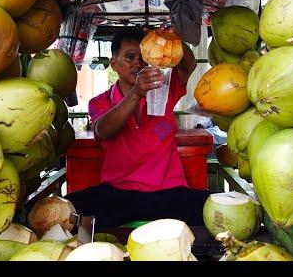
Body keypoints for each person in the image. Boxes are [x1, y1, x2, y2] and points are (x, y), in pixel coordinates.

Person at [64, 26, 214, 227]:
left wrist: (172, 37)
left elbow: (188, 65)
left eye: (142, 57)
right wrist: (136, 93)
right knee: (65, 209)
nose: (138, 63)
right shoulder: (99, 102)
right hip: (119, 193)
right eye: (130, 57)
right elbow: (103, 130)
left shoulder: (164, 91)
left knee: (218, 207)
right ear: (114, 63)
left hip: (169, 193)